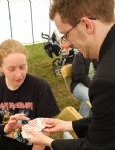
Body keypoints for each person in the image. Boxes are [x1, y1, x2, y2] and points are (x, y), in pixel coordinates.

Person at [21, 0, 115, 150]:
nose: (68, 44)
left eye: (66, 34)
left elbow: (94, 147)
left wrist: (48, 142)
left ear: (86, 25)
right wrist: (68, 124)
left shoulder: (105, 81)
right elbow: (108, 121)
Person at [0, 39, 60, 150]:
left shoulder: (41, 87)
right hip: (5, 145)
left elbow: (44, 133)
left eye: (22, 67)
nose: (18, 75)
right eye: (11, 69)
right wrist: (5, 128)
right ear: (1, 67)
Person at [70, 51, 91, 117]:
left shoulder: (100, 54)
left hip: (96, 84)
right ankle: (81, 120)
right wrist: (94, 87)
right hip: (79, 84)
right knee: (89, 97)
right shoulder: (79, 56)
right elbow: (81, 76)